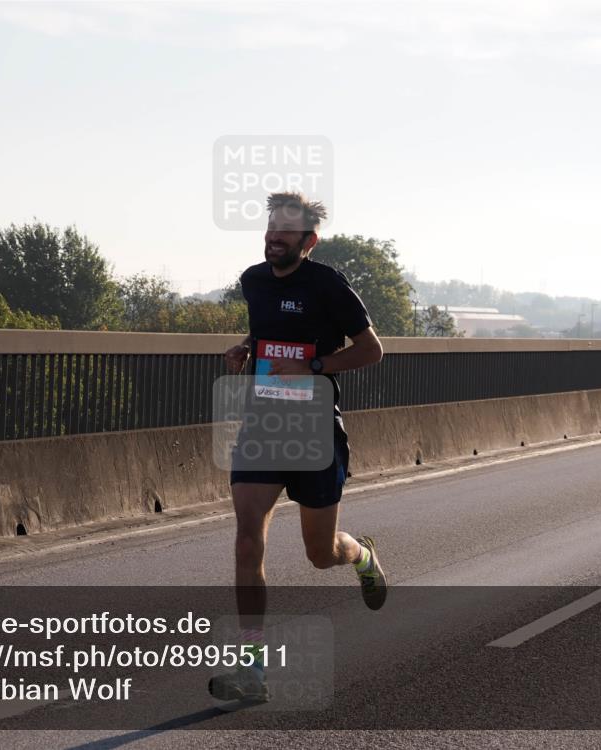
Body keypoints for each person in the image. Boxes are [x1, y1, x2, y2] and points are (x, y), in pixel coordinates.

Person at [209, 192, 386, 704]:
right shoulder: (253, 281)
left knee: (320, 553)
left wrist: (311, 368)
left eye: (286, 230)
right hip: (264, 425)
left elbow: (372, 350)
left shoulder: (328, 284)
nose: (274, 237)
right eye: (270, 228)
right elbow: (270, 329)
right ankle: (252, 668)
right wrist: (247, 347)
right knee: (247, 539)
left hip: (313, 432)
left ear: (310, 241)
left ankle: (362, 556)